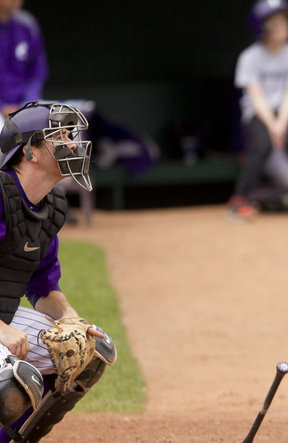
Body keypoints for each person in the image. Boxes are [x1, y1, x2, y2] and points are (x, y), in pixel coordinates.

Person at [0, 101, 116, 442]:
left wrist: (71, 319)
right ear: (31, 152)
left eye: (70, 134)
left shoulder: (49, 207)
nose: (72, 142)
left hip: (3, 317)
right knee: (10, 381)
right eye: (59, 136)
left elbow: (42, 282)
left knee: (87, 354)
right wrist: (2, 331)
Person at [229, 0, 288, 220]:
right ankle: (240, 199)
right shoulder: (249, 57)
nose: (284, 26)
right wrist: (272, 126)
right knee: (261, 143)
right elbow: (256, 97)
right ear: (260, 27)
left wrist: (281, 124)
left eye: (285, 21)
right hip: (258, 112)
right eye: (275, 22)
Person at [0, 0, 48, 126]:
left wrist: (28, 103)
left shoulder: (27, 24)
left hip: (24, 104)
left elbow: (37, 72)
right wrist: (2, 107)